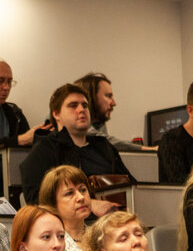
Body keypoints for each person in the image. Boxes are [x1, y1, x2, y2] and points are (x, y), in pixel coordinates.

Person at [19, 83, 132, 213]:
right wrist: (89, 205)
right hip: (75, 224)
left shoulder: (104, 146)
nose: (81, 109)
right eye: (73, 106)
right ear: (56, 114)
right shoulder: (45, 150)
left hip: (118, 215)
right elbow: (38, 201)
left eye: (85, 105)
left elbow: (131, 185)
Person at [75, 72, 144, 152]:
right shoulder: (78, 128)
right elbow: (101, 140)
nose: (114, 103)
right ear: (91, 97)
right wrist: (146, 149)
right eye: (108, 96)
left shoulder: (99, 123)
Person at [37, 165, 93, 251]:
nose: (80, 197)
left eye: (83, 190)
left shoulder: (101, 238)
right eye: (69, 193)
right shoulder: (49, 245)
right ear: (53, 204)